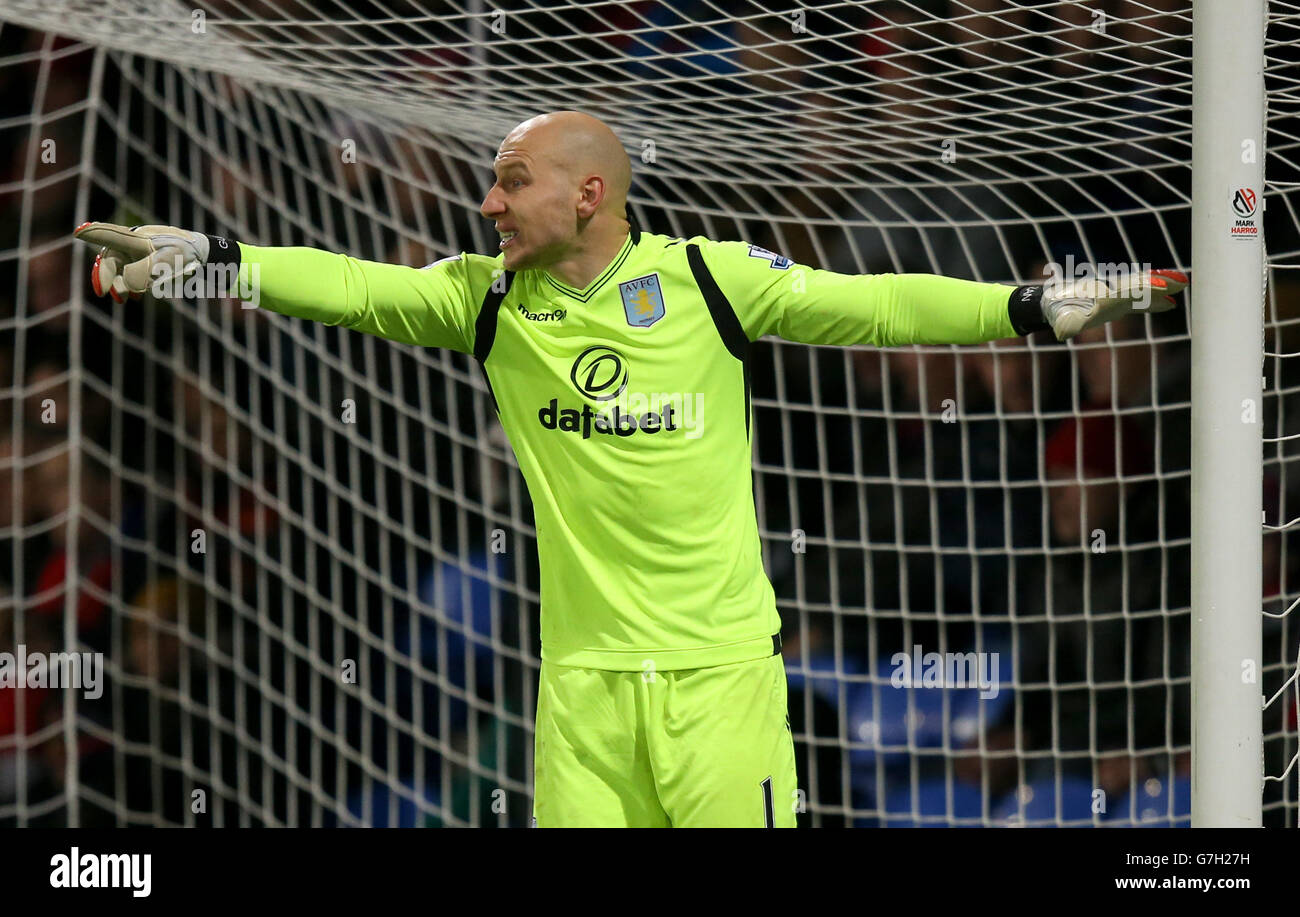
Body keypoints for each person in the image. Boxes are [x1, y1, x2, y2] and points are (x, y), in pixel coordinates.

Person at [72, 110, 1185, 828]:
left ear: (588, 194)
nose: (488, 203)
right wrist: (215, 263)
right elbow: (356, 286)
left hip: (718, 687)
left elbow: (874, 303)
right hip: (582, 691)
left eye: (510, 182)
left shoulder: (707, 279)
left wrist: (1025, 307)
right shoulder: (488, 296)